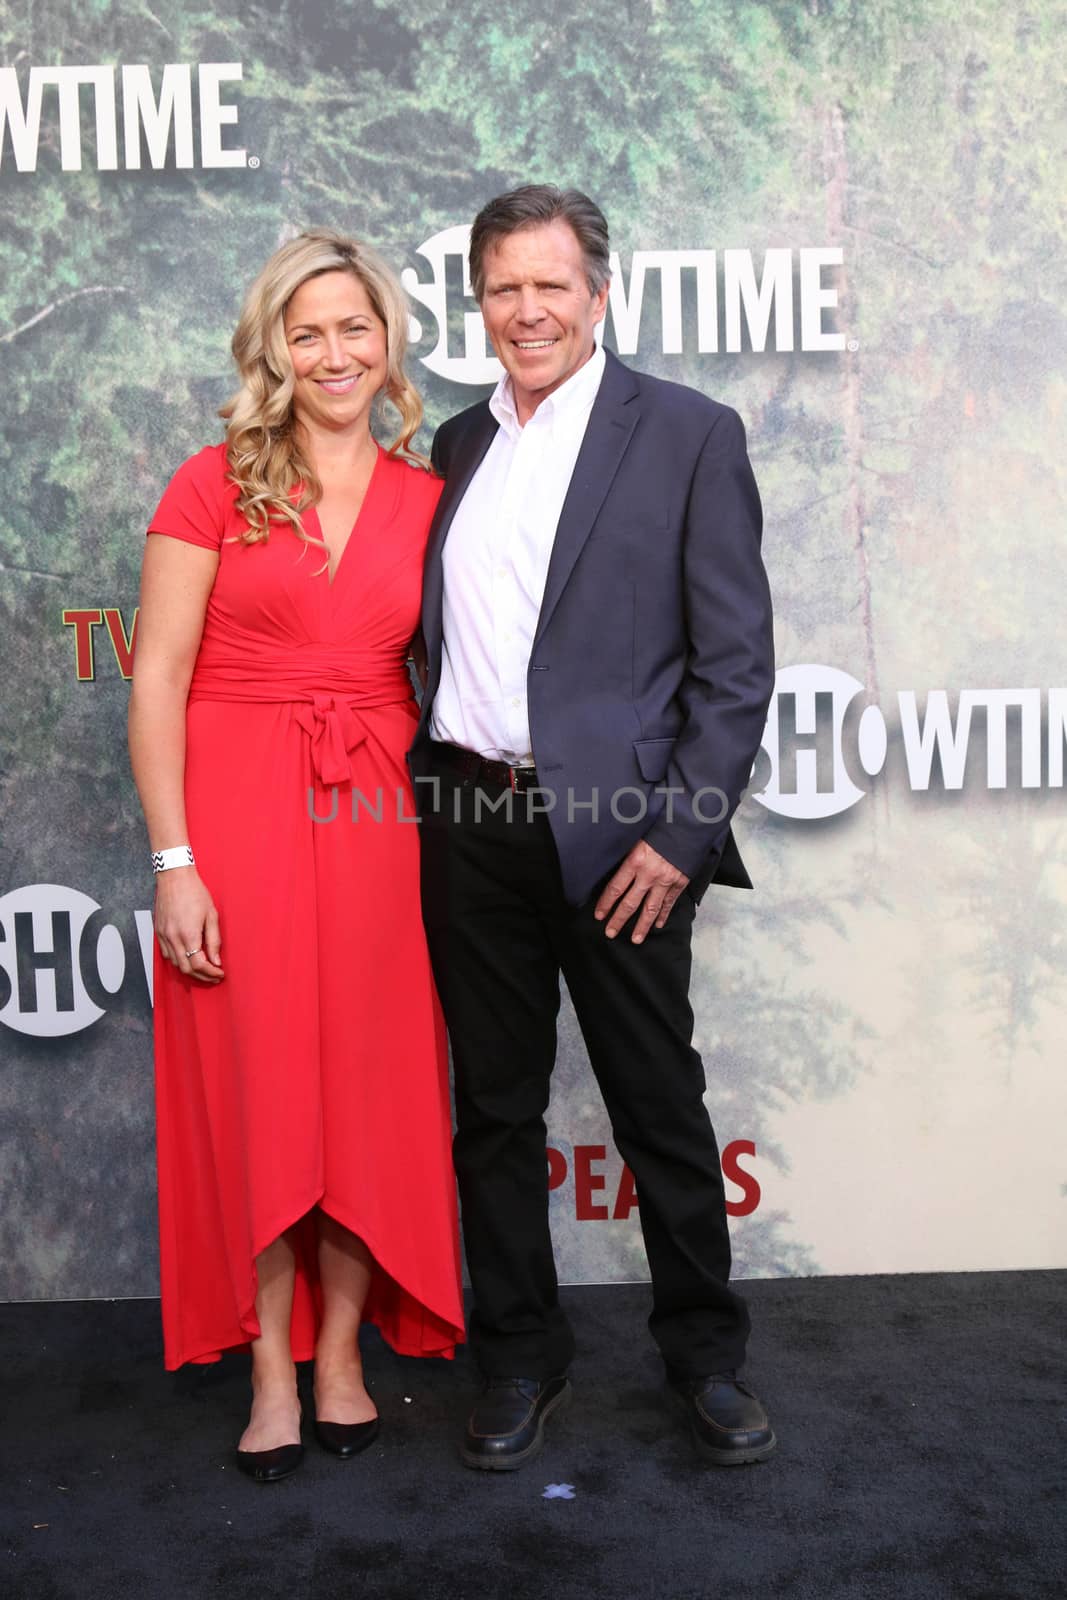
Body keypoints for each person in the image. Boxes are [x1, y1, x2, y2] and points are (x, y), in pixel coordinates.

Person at [410, 186, 776, 1470]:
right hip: (467, 813)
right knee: (494, 1111)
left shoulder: (683, 433)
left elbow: (734, 668)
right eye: (503, 287)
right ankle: (519, 1355)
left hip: (626, 837)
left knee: (656, 1103)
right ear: (479, 301)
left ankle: (705, 1359)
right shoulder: (454, 445)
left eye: (549, 285)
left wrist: (675, 839)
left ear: (598, 293)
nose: (526, 310)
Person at [129, 229, 464, 1483]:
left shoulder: (435, 503)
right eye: (306, 331)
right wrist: (175, 862)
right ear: (274, 345)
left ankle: (339, 1356)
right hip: (237, 809)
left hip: (379, 821)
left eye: (355, 328)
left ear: (388, 343)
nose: (334, 353)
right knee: (259, 1089)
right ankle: (268, 1368)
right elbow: (157, 679)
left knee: (365, 1092)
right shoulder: (209, 485)